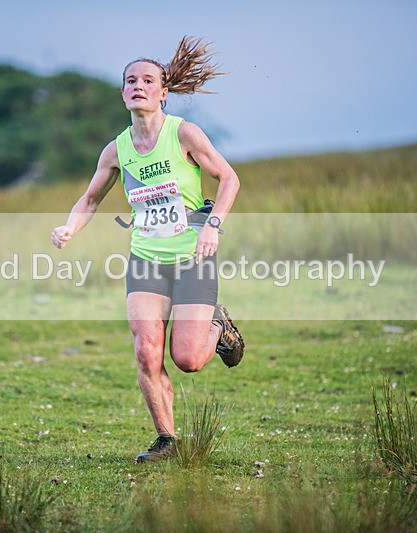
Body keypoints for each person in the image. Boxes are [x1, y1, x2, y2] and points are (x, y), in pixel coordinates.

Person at [51, 36, 244, 463]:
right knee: (145, 350)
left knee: (189, 359)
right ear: (123, 93)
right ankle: (167, 441)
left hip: (193, 255)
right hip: (146, 258)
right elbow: (89, 201)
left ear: (163, 92)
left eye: (147, 80)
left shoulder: (185, 134)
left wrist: (212, 225)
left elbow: (228, 179)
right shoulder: (115, 150)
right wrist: (69, 227)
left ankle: (219, 325)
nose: (138, 86)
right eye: (130, 80)